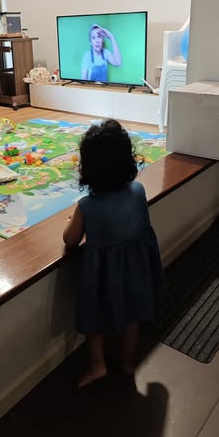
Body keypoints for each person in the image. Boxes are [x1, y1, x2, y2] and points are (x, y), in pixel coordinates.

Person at [63, 119, 164, 388]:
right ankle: (128, 362)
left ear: (88, 168)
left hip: (102, 279)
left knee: (94, 320)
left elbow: (70, 240)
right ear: (128, 161)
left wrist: (71, 222)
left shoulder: (86, 206)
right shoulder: (138, 191)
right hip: (136, 272)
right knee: (133, 317)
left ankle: (98, 366)